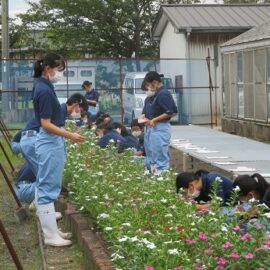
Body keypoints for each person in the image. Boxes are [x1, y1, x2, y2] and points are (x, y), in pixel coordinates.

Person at [33, 53, 86, 247]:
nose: (60, 73)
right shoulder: (44, 90)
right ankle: (49, 235)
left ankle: (53, 231)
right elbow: (46, 123)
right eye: (59, 69)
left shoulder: (44, 85)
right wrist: (71, 136)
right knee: (48, 188)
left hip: (52, 141)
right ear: (48, 68)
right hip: (50, 141)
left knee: (44, 184)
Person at [141, 71, 178, 174]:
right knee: (152, 155)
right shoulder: (154, 95)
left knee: (160, 156)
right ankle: (154, 174)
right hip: (151, 128)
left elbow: (170, 112)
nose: (148, 88)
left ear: (154, 82)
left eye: (148, 85)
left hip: (160, 128)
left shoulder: (163, 93)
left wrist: (154, 120)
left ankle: (162, 178)